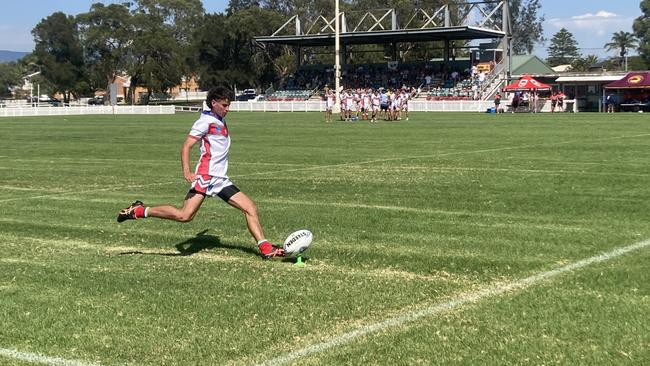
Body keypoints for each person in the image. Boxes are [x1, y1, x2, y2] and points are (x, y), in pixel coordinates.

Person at [116, 86, 285, 259]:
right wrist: (187, 171)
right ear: (214, 103)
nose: (228, 109)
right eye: (224, 105)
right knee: (184, 216)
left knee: (250, 208)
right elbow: (186, 146)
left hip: (220, 179)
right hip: (206, 177)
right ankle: (138, 211)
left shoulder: (218, 119)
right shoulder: (205, 121)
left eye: (229, 105)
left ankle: (266, 249)